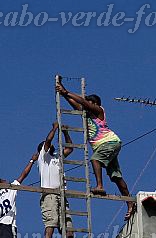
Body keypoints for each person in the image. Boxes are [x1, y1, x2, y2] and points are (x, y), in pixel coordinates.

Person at [55, 80, 134, 220]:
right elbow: (75, 103)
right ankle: (130, 203)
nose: (87, 106)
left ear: (95, 104)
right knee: (116, 176)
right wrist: (63, 91)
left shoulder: (99, 111)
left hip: (108, 143)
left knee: (95, 159)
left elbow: (83, 103)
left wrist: (66, 92)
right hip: (106, 146)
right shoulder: (87, 114)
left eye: (90, 103)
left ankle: (99, 186)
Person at [37, 121, 85, 238]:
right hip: (49, 193)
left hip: (61, 194)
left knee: (67, 223)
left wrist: (65, 132)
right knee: (51, 221)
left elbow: (69, 148)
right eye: (48, 146)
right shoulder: (43, 158)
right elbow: (48, 140)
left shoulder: (57, 158)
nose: (51, 146)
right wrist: (55, 128)